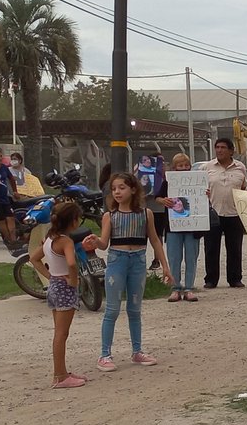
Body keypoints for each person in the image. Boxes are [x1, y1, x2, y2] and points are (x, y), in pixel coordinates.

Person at [84, 172, 172, 371]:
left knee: (134, 309)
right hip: (117, 261)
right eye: (114, 188)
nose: (117, 192)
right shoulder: (110, 216)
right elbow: (104, 243)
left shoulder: (145, 213)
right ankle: (104, 354)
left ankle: (137, 351)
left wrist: (165, 266)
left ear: (133, 189)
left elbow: (155, 240)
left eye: (122, 187)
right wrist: (95, 241)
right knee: (112, 310)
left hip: (138, 261)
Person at [29, 200, 89, 388]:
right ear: (72, 221)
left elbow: (34, 258)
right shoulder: (66, 241)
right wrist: (73, 280)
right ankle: (60, 376)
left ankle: (61, 371)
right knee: (61, 334)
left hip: (54, 286)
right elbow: (71, 263)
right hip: (65, 289)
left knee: (59, 332)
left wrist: (49, 275)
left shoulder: (49, 238)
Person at [157, 153, 206, 302]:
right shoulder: (167, 182)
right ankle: (175, 288)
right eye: (180, 165)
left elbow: (203, 197)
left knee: (191, 257)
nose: (183, 168)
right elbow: (157, 197)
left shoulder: (198, 181)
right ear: (174, 167)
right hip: (173, 226)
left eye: (186, 165)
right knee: (174, 258)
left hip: (193, 226)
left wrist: (206, 195)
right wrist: (164, 201)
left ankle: (189, 287)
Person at [202, 138, 247, 289]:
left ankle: (235, 278)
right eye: (217, 147)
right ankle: (211, 279)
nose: (219, 150)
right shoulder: (207, 167)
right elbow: (199, 187)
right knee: (211, 248)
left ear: (231, 151)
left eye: (223, 147)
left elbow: (244, 188)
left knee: (235, 248)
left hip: (234, 213)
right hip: (213, 213)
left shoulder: (240, 168)